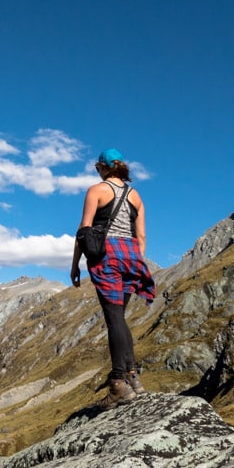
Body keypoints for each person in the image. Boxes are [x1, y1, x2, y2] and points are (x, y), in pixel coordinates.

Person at [70, 148, 155, 408]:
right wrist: (138, 262)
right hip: (131, 255)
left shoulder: (97, 190)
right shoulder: (136, 195)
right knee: (121, 318)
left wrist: (75, 264)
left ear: (104, 167)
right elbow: (141, 237)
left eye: (97, 167)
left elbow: (84, 229)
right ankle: (133, 377)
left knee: (114, 318)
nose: (97, 171)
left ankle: (118, 384)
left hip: (107, 254)